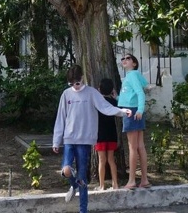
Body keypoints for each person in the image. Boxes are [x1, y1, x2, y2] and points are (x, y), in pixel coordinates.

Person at [53, 65, 131, 212]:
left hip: (85, 141)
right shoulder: (66, 94)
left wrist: (121, 111)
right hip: (69, 139)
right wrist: (56, 140)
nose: (74, 86)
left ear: (82, 79)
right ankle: (74, 185)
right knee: (66, 170)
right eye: (71, 84)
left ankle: (83, 209)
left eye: (76, 83)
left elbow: (105, 107)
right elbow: (60, 118)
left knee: (82, 177)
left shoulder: (92, 93)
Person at [118, 53, 150, 189]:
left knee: (133, 147)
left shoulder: (131, 76)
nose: (124, 60)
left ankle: (132, 180)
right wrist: (117, 97)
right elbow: (131, 94)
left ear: (134, 63)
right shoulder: (133, 76)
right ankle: (144, 180)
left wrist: (140, 110)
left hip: (132, 112)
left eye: (128, 58)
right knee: (140, 146)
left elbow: (140, 92)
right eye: (123, 59)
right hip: (135, 110)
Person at [95, 78, 119, 190]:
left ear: (99, 89)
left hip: (99, 134)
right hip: (112, 134)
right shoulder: (114, 102)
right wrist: (115, 97)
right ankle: (115, 183)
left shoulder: (97, 103)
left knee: (101, 160)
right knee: (111, 159)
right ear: (112, 90)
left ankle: (102, 185)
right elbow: (120, 109)